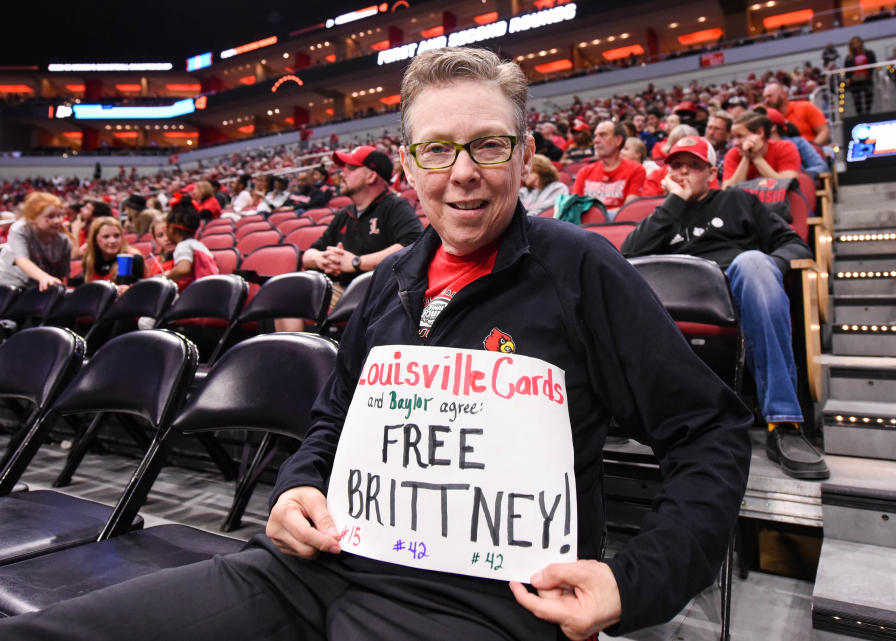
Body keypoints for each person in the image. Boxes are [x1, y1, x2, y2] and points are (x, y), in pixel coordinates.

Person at [0, 47, 752, 641]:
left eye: (489, 146)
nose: (462, 173)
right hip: (310, 571)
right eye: (437, 150)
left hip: (483, 605)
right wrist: (297, 484)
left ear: (525, 158)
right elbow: (333, 420)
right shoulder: (388, 281)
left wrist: (635, 581)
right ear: (408, 167)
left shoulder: (582, 268)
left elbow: (708, 429)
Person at [622, 135, 829, 482]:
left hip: (735, 287)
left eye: (694, 165)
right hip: (674, 299)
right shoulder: (664, 212)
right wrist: (673, 203)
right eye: (677, 165)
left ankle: (785, 423)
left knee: (753, 262)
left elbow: (793, 245)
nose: (684, 172)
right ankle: (619, 413)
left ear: (712, 172)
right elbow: (626, 257)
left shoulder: (738, 201)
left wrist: (766, 271)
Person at [301, 146, 422, 308]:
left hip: (381, 294)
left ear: (371, 176)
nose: (341, 174)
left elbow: (413, 246)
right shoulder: (344, 215)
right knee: (287, 294)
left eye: (350, 169)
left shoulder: (395, 206)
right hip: (342, 291)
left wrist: (356, 262)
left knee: (295, 300)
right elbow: (308, 254)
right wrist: (321, 259)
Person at [0, 191, 71, 292]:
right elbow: (22, 260)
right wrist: (43, 277)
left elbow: (60, 276)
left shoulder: (64, 241)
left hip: (37, 286)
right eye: (50, 216)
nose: (57, 221)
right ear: (32, 218)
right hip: (8, 283)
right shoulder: (20, 229)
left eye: (60, 216)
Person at [571, 120, 646, 214]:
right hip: (585, 227)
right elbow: (574, 210)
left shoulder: (636, 170)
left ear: (618, 140)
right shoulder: (584, 172)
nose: (596, 141)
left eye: (603, 135)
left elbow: (628, 212)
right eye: (595, 136)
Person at [721, 112, 801, 189]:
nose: (735, 143)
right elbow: (727, 191)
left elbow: (787, 185)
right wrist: (746, 158)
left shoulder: (785, 148)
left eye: (740, 136)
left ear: (759, 133)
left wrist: (757, 159)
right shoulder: (733, 154)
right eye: (733, 138)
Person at [163, 199, 219, 291]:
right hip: (211, 290)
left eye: (166, 227)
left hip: (197, 296)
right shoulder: (199, 245)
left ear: (172, 228)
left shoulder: (183, 246)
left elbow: (183, 269)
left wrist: (166, 277)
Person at [761, 108, 829, 179]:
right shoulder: (755, 148)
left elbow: (820, 166)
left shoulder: (798, 143)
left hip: (797, 186)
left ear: (773, 127)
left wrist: (800, 176)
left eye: (758, 125)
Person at [82, 216, 145, 292]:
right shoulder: (90, 260)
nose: (113, 241)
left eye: (116, 236)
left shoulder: (132, 259)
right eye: (106, 237)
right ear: (95, 240)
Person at [761, 81, 831, 147]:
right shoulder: (766, 118)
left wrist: (811, 149)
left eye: (770, 96)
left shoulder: (805, 107)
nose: (766, 100)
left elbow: (824, 131)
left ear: (783, 94)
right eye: (765, 98)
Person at [844, 36, 877, 115]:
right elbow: (847, 69)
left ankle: (867, 113)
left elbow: (873, 63)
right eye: (854, 43)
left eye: (857, 42)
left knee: (868, 95)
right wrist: (848, 78)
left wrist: (874, 71)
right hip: (854, 80)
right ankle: (860, 114)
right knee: (856, 99)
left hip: (867, 78)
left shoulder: (869, 53)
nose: (856, 45)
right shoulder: (849, 57)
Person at [704, 111, 733, 177]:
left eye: (717, 129)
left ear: (728, 132)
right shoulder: (699, 146)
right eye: (709, 128)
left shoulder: (731, 151)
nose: (711, 133)